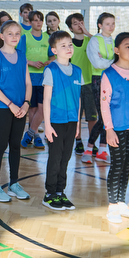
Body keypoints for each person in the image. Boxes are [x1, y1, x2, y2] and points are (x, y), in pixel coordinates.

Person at [101, 33, 129, 224]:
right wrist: (109, 129)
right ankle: (112, 206)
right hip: (117, 128)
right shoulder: (109, 74)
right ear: (117, 50)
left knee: (126, 165)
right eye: (127, 46)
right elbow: (104, 104)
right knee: (117, 165)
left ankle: (121, 202)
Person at [0, 20, 32, 203]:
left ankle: (14, 183)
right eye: (10, 33)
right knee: (1, 144)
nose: (14, 37)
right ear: (2, 36)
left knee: (15, 145)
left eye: (17, 33)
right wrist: (11, 105)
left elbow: (28, 82)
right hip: (3, 108)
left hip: (21, 108)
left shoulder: (22, 56)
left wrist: (26, 104)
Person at [42, 31, 81, 211]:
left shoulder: (78, 71)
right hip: (56, 121)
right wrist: (47, 125)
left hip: (72, 121)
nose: (68, 48)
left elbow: (78, 99)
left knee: (66, 158)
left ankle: (60, 191)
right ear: (54, 50)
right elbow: (46, 100)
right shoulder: (51, 70)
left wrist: (78, 123)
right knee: (55, 158)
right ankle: (49, 193)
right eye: (63, 45)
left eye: (70, 44)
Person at [84, 12, 115, 164]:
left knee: (108, 117)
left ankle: (102, 150)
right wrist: (113, 62)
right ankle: (89, 149)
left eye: (113, 23)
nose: (111, 26)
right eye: (108, 24)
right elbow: (97, 63)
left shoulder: (114, 41)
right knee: (103, 117)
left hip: (112, 80)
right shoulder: (94, 41)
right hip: (98, 80)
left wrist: (108, 62)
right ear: (100, 25)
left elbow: (119, 61)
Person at [19, 10, 50, 150]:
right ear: (30, 22)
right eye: (36, 20)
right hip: (30, 76)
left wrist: (49, 62)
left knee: (42, 108)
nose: (39, 23)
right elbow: (19, 56)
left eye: (40, 20)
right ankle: (36, 136)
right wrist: (31, 63)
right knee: (32, 108)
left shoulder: (48, 38)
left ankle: (30, 133)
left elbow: (53, 56)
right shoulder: (25, 37)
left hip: (44, 77)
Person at [65, 13, 95, 156]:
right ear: (71, 28)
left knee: (92, 115)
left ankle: (92, 142)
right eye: (75, 23)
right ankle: (78, 140)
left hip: (90, 82)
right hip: (74, 84)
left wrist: (87, 32)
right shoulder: (68, 44)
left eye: (81, 22)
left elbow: (100, 42)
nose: (79, 25)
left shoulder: (91, 41)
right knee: (76, 115)